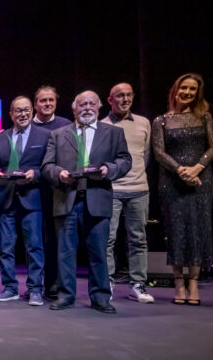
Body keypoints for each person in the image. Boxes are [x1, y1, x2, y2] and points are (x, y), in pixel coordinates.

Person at [42, 91, 131, 314]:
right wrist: (59, 173)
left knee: (99, 252)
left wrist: (109, 169)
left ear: (99, 107)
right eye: (82, 104)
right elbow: (46, 166)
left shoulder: (114, 133)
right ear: (74, 109)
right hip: (67, 200)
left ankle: (101, 297)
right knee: (65, 253)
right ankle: (65, 295)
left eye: (92, 104)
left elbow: (125, 160)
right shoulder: (58, 135)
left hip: (97, 199)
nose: (87, 108)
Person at [152, 73, 213, 306]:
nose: (187, 92)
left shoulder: (204, 117)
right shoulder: (161, 120)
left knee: (198, 229)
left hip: (201, 180)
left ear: (197, 93)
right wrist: (181, 170)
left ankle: (194, 283)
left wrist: (197, 168)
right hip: (172, 181)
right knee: (176, 230)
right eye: (184, 88)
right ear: (176, 90)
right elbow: (159, 152)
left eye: (192, 89)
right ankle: (179, 283)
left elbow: (212, 146)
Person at [0, 96, 49, 306]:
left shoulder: (45, 135)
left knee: (34, 247)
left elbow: (49, 166)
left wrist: (36, 173)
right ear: (11, 114)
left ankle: (35, 289)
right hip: (6, 199)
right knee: (6, 248)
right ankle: (10, 288)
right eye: (18, 110)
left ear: (32, 111)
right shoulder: (1, 138)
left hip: (32, 200)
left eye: (26, 110)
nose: (22, 114)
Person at [102, 83, 155, 304]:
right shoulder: (102, 125)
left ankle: (137, 284)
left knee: (138, 239)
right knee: (108, 239)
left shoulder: (144, 123)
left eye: (129, 95)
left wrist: (135, 176)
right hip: (111, 189)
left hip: (138, 189)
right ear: (110, 100)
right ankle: (107, 283)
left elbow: (145, 155)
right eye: (120, 96)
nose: (125, 99)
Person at [32, 85, 72, 300]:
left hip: (58, 191)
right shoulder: (25, 125)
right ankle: (34, 286)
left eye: (51, 100)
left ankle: (54, 285)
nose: (47, 104)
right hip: (32, 192)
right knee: (35, 242)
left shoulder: (66, 125)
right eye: (43, 100)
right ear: (35, 104)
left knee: (56, 240)